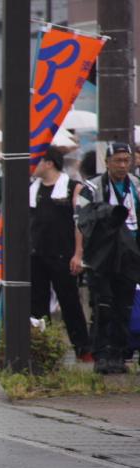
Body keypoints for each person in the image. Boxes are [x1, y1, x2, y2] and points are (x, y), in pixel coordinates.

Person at [78, 142, 140, 374]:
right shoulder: (92, 187)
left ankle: (120, 353)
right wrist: (79, 254)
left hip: (130, 252)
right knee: (103, 304)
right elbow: (80, 221)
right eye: (118, 161)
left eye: (127, 160)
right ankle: (101, 353)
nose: (123, 165)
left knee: (124, 305)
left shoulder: (135, 185)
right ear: (107, 162)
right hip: (101, 253)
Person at [29, 146, 90, 360]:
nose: (32, 166)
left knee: (70, 303)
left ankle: (83, 348)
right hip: (36, 255)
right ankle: (43, 348)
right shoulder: (31, 189)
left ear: (48, 163)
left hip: (63, 255)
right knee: (37, 304)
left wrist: (78, 254)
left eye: (36, 161)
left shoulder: (72, 188)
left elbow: (80, 224)